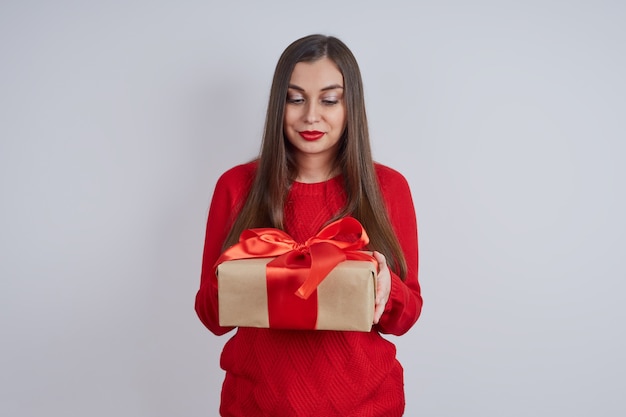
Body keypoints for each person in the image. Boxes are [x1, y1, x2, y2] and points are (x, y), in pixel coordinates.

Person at [195, 34, 422, 417]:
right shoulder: (236, 186)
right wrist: (239, 274)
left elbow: (406, 317)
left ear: (351, 107)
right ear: (277, 105)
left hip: (366, 406)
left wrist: (388, 289)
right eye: (295, 98)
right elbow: (211, 318)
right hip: (256, 406)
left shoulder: (388, 188)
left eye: (329, 99)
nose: (311, 115)